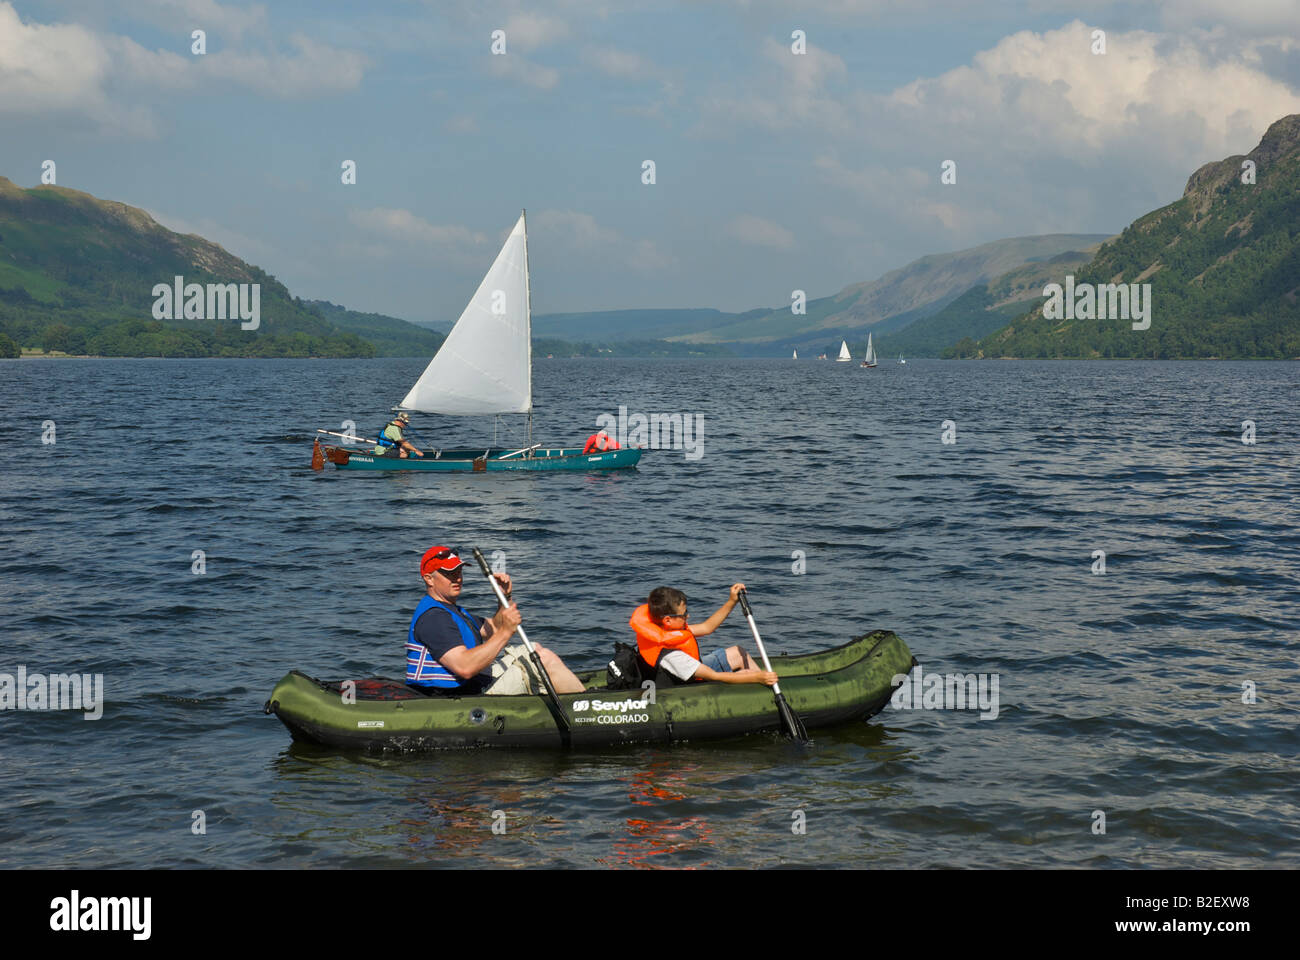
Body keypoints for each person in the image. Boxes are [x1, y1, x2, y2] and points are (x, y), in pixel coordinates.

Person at [406, 546, 585, 695]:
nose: (458, 578)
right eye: (449, 574)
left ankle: (575, 698)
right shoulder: (435, 618)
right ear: (429, 578)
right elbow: (465, 667)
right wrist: (507, 632)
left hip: (475, 682)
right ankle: (588, 707)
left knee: (534, 649)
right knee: (544, 661)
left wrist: (504, 597)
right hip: (459, 697)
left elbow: (494, 627)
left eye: (459, 571)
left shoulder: (453, 611)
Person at [629, 583, 777, 687]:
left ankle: (767, 688)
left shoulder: (668, 630)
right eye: (683, 614)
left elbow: (707, 627)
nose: (688, 616)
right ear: (667, 620)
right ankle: (765, 688)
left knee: (739, 652)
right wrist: (757, 677)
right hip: (691, 682)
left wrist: (732, 601)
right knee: (748, 674)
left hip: (695, 670)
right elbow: (715, 676)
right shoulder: (672, 656)